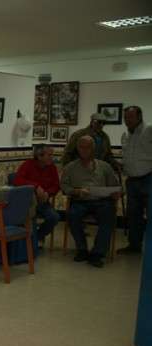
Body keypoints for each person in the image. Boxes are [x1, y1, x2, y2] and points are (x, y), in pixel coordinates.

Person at [61, 135, 120, 268]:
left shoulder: (105, 166)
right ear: (77, 148)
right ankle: (82, 249)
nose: (84, 150)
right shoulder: (70, 167)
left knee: (108, 217)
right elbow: (64, 186)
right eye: (81, 147)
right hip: (80, 201)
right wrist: (76, 191)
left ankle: (98, 253)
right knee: (72, 215)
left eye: (87, 147)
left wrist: (116, 193)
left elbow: (115, 187)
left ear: (93, 149)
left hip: (102, 201)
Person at [117, 106, 152, 255]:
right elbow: (128, 157)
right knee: (133, 215)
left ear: (139, 117)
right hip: (131, 181)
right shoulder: (125, 135)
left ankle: (150, 248)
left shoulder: (149, 130)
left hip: (148, 179)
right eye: (125, 117)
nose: (127, 120)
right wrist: (122, 165)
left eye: (130, 117)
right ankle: (134, 246)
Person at [13, 144, 60, 244]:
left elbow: (56, 185)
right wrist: (35, 186)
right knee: (31, 218)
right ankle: (31, 242)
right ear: (39, 156)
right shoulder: (27, 165)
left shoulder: (52, 167)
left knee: (54, 217)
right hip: (27, 202)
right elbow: (17, 180)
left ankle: (38, 237)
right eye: (49, 155)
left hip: (42, 202)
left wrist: (48, 193)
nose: (52, 157)